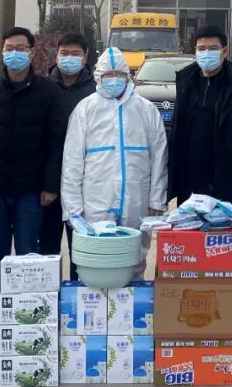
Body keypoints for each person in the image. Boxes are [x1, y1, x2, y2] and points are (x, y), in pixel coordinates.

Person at [0, 26, 66, 292]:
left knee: (28, 257)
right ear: (2, 52)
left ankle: (26, 309)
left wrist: (50, 186)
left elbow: (56, 143)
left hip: (31, 192)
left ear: (31, 53)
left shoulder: (49, 92)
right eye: (9, 49)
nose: (15, 53)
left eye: (21, 48)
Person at [61, 47, 168, 277]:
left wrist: (157, 199)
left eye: (118, 74)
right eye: (108, 75)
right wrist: (72, 209)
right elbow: (72, 163)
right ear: (98, 77)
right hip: (96, 201)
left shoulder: (146, 109)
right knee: (97, 261)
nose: (113, 79)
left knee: (135, 259)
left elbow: (159, 158)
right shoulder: (85, 109)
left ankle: (134, 298)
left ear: (127, 76)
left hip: (136, 199)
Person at [168, 25, 232, 207]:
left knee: (225, 226)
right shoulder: (186, 83)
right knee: (189, 224)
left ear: (224, 52)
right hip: (191, 181)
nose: (206, 53)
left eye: (212, 48)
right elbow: (177, 132)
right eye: (201, 49)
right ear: (195, 51)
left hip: (227, 180)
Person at [45, 32, 97, 276]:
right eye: (64, 53)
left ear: (86, 58)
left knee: (81, 249)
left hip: (84, 184)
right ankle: (51, 297)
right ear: (56, 56)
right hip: (49, 181)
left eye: (76, 54)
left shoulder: (96, 91)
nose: (70, 58)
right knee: (47, 250)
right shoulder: (43, 88)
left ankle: (77, 295)